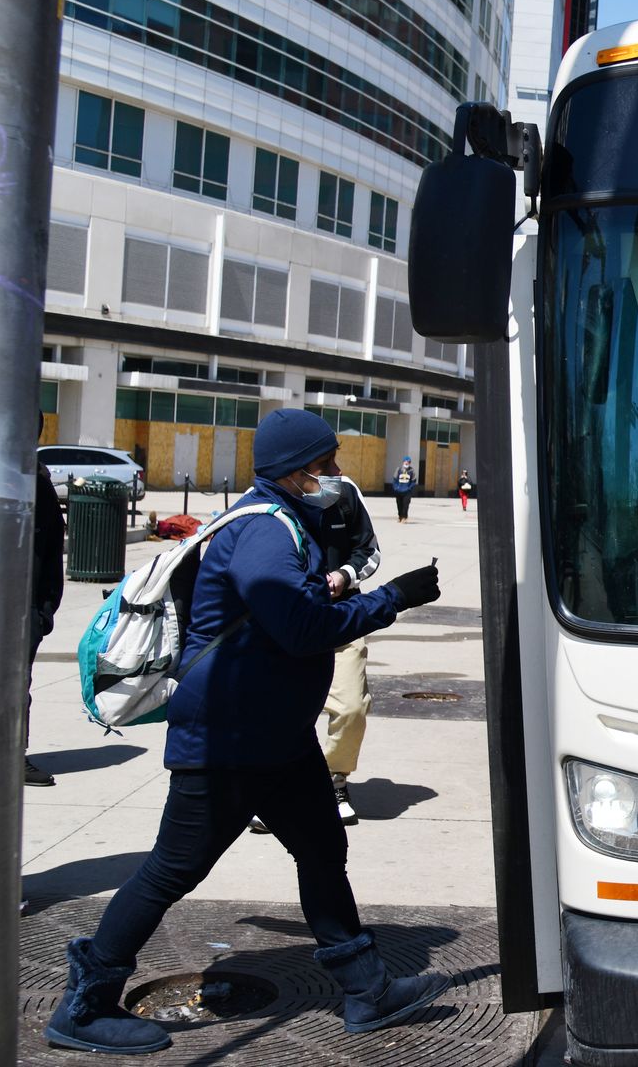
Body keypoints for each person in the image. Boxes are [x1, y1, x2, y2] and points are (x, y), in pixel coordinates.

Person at [44, 409, 448, 1055]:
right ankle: (85, 1005)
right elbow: (302, 629)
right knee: (171, 871)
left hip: (273, 733)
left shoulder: (280, 519)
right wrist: (391, 598)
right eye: (327, 465)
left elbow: (288, 608)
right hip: (231, 735)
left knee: (321, 849)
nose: (337, 475)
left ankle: (364, 988)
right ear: (296, 472)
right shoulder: (263, 532)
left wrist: (340, 582)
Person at [250, 474, 379, 830]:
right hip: (285, 625)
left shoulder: (345, 491)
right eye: (323, 461)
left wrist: (345, 575)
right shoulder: (261, 496)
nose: (332, 469)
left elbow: (369, 551)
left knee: (352, 707)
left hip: (340, 621)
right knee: (280, 716)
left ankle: (333, 783)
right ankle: (273, 793)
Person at [25, 441, 65, 787]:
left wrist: (44, 611)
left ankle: (11, 754)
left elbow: (53, 546)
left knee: (16, 685)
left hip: (25, 612)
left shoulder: (37, 482)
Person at [391, 456, 416, 523]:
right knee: (399, 504)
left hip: (407, 492)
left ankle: (404, 517)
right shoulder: (398, 470)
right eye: (405, 461)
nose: (407, 463)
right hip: (399, 491)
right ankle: (400, 516)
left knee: (405, 505)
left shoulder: (412, 471)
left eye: (408, 462)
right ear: (403, 462)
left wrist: (409, 488)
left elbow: (413, 481)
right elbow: (394, 480)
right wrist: (396, 487)